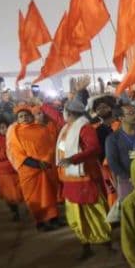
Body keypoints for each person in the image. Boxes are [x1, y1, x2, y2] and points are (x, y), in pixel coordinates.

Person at [56, 97, 112, 259]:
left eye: (65, 110)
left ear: (70, 113)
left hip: (85, 178)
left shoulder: (85, 128)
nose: (63, 114)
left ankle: (107, 243)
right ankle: (85, 245)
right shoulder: (67, 128)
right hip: (69, 180)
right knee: (76, 216)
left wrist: (72, 160)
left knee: (96, 212)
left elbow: (94, 149)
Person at [9, 105, 62, 231]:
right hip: (29, 171)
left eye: (26, 115)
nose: (24, 118)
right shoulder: (15, 133)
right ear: (17, 119)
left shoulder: (41, 129)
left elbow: (51, 146)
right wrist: (36, 164)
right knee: (35, 198)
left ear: (31, 116)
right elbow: (17, 153)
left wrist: (46, 161)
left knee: (50, 195)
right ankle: (40, 222)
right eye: (21, 116)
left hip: (47, 167)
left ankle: (53, 218)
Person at [0, 118, 23, 221]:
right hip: (4, 173)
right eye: (2, 128)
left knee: (21, 192)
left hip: (17, 169)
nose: (5, 129)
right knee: (9, 195)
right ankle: (14, 212)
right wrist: (4, 154)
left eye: (6, 126)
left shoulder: (14, 137)